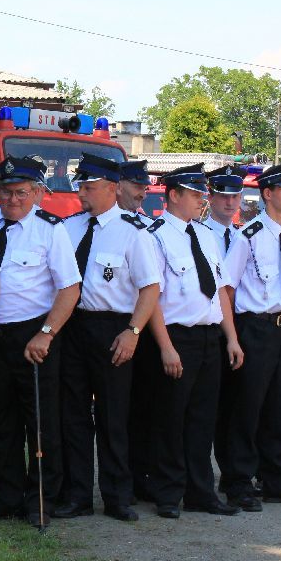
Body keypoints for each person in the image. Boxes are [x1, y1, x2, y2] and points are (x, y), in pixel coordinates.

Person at [0, 157, 81, 528]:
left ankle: (40, 499)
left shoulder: (51, 230)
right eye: (6, 191)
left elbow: (70, 288)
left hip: (34, 335)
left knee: (40, 421)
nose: (13, 199)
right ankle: (7, 495)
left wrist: (46, 334)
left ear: (37, 193)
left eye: (21, 192)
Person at [55, 153, 161, 522]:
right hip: (74, 327)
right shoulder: (68, 228)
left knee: (114, 415)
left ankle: (118, 495)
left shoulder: (133, 231)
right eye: (81, 186)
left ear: (113, 189)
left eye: (90, 187)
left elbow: (150, 289)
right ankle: (78, 494)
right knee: (73, 414)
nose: (82, 193)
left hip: (114, 328)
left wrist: (132, 332)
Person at [145, 164, 244, 519]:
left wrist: (231, 338)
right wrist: (165, 346)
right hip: (176, 336)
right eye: (196, 194)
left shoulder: (203, 235)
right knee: (170, 417)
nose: (203, 200)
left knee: (203, 418)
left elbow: (219, 292)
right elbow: (151, 296)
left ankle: (200, 491)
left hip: (208, 336)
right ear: (174, 195)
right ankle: (168, 492)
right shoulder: (154, 235)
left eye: (204, 194)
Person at [221, 162, 281, 511]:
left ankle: (277, 479)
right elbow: (227, 288)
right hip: (255, 326)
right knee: (248, 408)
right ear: (267, 194)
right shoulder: (249, 235)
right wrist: (232, 337)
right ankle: (239, 482)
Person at [201, 165, 246, 485]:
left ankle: (234, 473)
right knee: (207, 407)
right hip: (209, 327)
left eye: (235, 197)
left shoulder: (245, 236)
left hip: (243, 327)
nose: (230, 204)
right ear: (210, 197)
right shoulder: (201, 235)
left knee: (238, 405)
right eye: (223, 197)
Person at [117, 159, 157, 502]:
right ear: (118, 186)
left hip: (141, 326)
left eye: (145, 186)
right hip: (112, 324)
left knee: (143, 405)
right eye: (136, 185)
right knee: (117, 408)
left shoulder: (148, 228)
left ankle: (141, 476)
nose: (142, 191)